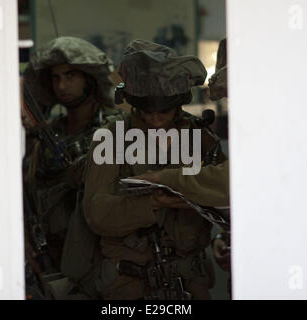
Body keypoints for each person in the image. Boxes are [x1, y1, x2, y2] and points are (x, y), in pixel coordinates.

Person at [82, 39, 227, 300]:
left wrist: (221, 238)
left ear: (179, 103)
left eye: (164, 111)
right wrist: (152, 203)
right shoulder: (111, 138)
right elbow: (96, 213)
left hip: (189, 280)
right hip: (132, 282)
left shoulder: (201, 138)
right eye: (147, 111)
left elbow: (229, 199)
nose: (156, 120)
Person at [22, 36, 124, 299]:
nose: (62, 85)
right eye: (55, 78)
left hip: (102, 261)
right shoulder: (44, 138)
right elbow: (26, 195)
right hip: (50, 259)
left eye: (70, 76)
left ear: (89, 79)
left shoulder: (113, 131)